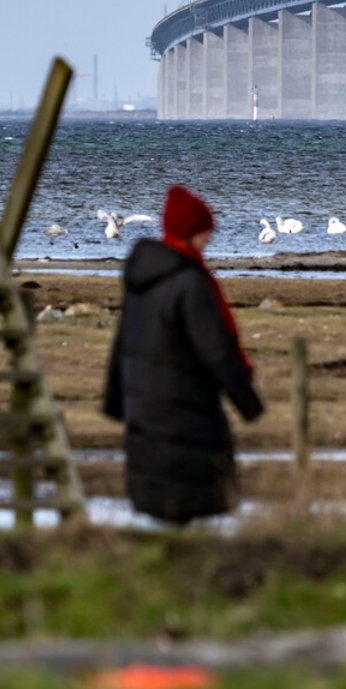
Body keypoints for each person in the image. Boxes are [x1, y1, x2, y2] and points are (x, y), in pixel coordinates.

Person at [104, 185, 264, 525]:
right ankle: (186, 566)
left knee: (163, 500)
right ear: (191, 232)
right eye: (205, 230)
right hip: (182, 406)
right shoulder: (191, 284)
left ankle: (165, 563)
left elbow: (123, 345)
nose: (209, 238)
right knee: (187, 494)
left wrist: (115, 403)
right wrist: (248, 402)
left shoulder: (142, 280)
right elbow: (215, 349)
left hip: (146, 408)